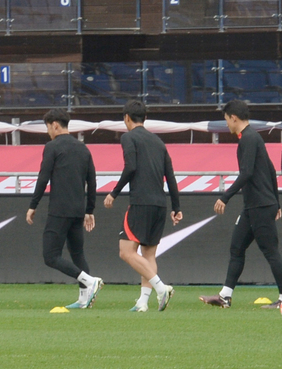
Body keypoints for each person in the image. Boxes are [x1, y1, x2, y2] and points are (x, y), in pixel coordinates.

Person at [200, 99, 282, 309]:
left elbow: (247, 173)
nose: (227, 125)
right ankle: (225, 296)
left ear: (234, 117)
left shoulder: (248, 139)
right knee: (237, 248)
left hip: (259, 206)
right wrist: (276, 202)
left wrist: (225, 196)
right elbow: (269, 170)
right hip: (255, 206)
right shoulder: (254, 138)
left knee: (270, 251)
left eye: (226, 120)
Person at [104, 100, 182, 312]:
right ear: (144, 118)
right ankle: (143, 303)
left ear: (127, 118)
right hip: (160, 205)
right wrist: (176, 207)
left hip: (141, 202)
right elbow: (171, 176)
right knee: (148, 255)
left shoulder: (128, 137)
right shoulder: (158, 142)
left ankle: (161, 288)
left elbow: (131, 167)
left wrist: (114, 192)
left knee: (126, 251)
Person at [26, 109, 103, 308]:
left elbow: (43, 178)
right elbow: (92, 181)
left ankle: (89, 281)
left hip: (60, 209)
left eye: (48, 128)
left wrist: (33, 205)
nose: (48, 132)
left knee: (51, 256)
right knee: (77, 254)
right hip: (78, 210)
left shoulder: (52, 147)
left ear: (55, 125)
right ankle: (84, 299)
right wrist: (89, 210)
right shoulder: (83, 149)